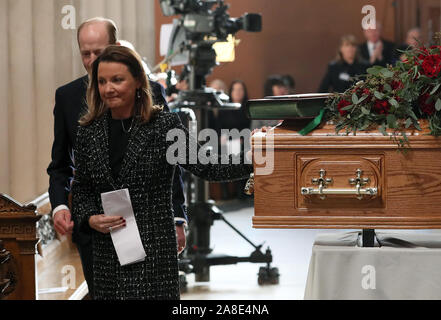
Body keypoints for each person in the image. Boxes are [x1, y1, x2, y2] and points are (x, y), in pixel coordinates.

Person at [71, 45, 253, 299]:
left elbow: (208, 165)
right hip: (107, 256)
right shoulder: (88, 132)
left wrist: (255, 157)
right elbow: (80, 191)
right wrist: (90, 218)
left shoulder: (163, 126)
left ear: (137, 81)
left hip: (154, 257)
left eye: (117, 80)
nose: (108, 88)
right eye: (102, 81)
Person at [46, 17, 187, 298]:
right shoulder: (67, 97)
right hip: (99, 236)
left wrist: (177, 218)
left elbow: (174, 161)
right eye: (85, 53)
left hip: (149, 232)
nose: (91, 60)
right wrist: (63, 206)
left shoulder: (150, 93)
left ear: (116, 49)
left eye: (98, 52)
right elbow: (64, 166)